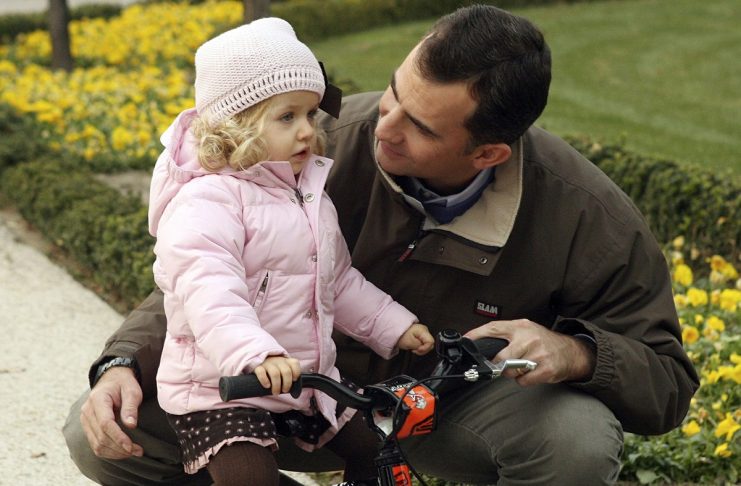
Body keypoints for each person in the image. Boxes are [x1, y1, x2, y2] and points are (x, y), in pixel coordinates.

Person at [64, 4, 699, 485]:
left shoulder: (587, 215)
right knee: (98, 435)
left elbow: (668, 379)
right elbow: (205, 269)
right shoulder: (315, 139)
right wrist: (120, 361)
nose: (381, 129)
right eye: (394, 91)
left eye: (418, 126)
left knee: (577, 443)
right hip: (288, 390)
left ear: (488, 154)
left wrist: (578, 352)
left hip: (442, 410)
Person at [138, 17, 435, 486]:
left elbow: (336, 280)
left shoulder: (306, 194)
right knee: (250, 478)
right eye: (286, 117)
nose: (306, 131)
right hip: (223, 388)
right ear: (237, 126)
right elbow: (210, 293)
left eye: (311, 115)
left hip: (300, 382)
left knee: (375, 448)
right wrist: (256, 356)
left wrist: (393, 325)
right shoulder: (206, 201)